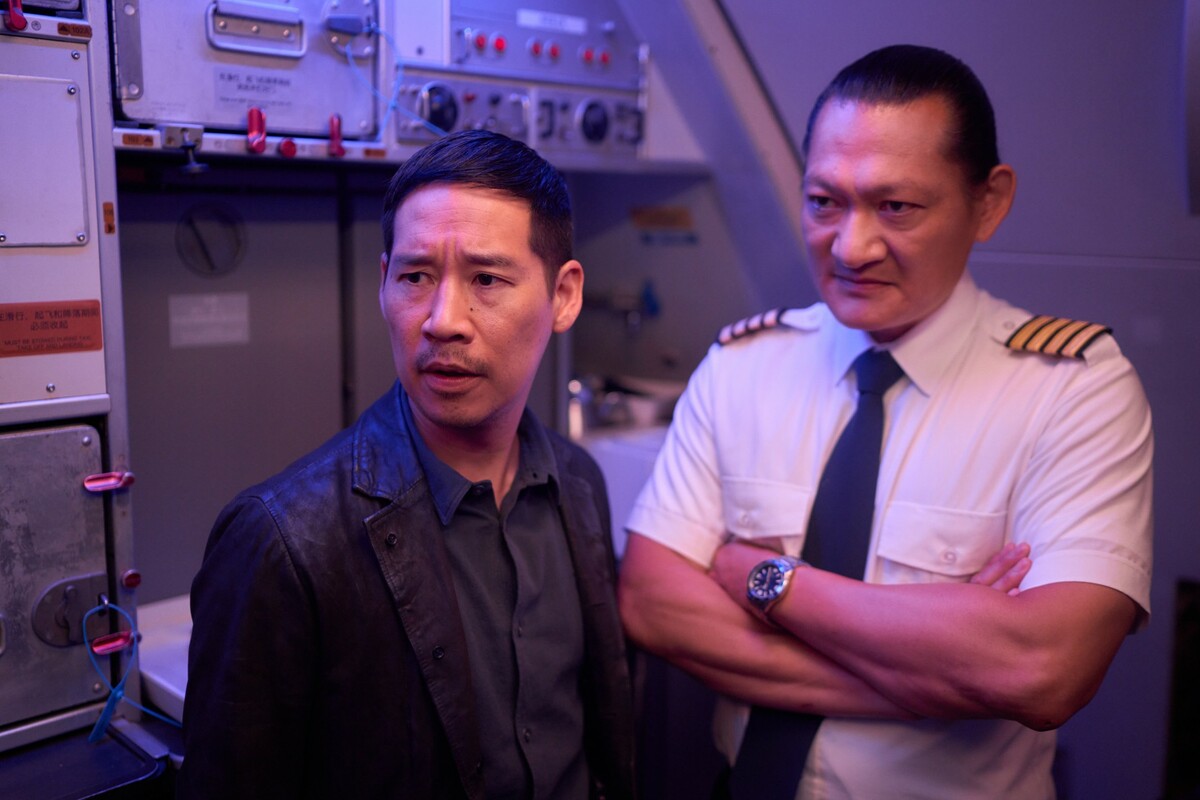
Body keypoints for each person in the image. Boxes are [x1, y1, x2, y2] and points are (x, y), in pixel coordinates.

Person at [618, 44, 1152, 799]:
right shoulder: (744, 366)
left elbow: (1044, 669)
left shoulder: (1072, 390)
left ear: (989, 203)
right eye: (823, 202)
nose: (851, 246)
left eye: (896, 207)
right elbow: (651, 602)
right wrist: (932, 677)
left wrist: (769, 583)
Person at [179, 129, 636, 799]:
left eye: (486, 279)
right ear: (384, 283)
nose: (443, 320)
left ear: (563, 296)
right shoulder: (283, 541)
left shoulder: (577, 482)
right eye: (416, 277)